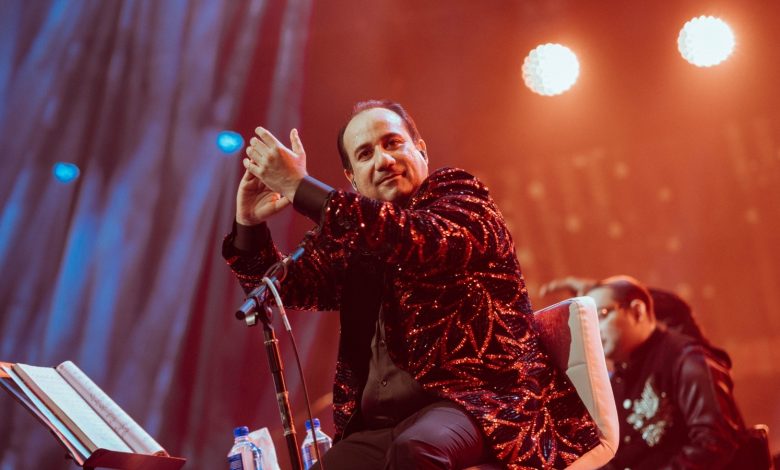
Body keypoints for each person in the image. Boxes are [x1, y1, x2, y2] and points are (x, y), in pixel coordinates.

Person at [222, 100, 601, 469]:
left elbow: (420, 240)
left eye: (392, 143)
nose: (384, 160)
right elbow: (285, 287)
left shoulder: (460, 195)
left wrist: (300, 187)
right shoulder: (355, 238)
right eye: (366, 154)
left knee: (416, 450)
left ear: (421, 150)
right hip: (381, 427)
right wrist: (248, 224)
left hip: (481, 404)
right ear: (352, 180)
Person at [583, 275, 744, 469]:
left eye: (602, 314)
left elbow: (715, 442)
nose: (593, 330)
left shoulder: (687, 361)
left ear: (637, 311)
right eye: (588, 323)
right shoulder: (611, 384)